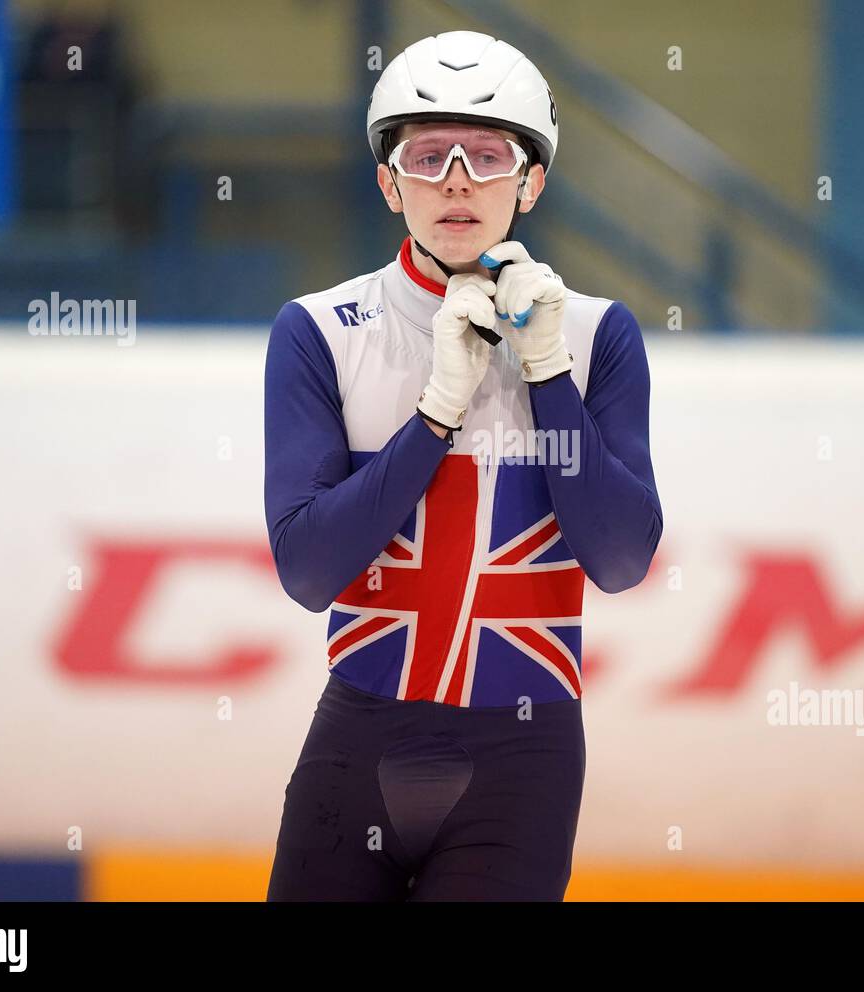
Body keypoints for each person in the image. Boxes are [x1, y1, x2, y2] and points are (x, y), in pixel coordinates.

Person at [263, 29, 662, 901]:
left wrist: (548, 370)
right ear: (386, 179)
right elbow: (307, 568)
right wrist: (435, 413)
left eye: (487, 156)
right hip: (357, 744)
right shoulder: (321, 331)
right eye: (428, 154)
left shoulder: (597, 337)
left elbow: (622, 559)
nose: (455, 180)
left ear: (532, 182)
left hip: (524, 761)